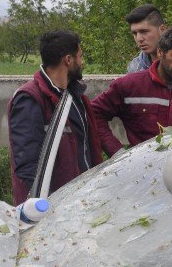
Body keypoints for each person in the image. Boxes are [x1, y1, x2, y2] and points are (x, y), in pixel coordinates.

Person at [7, 30, 104, 205]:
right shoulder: (29, 99)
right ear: (68, 60)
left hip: (81, 199)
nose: (82, 62)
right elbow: (27, 166)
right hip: (53, 208)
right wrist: (52, 206)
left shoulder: (76, 97)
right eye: (79, 57)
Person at [92, 25, 172, 156]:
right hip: (140, 169)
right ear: (160, 52)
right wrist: (118, 153)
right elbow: (94, 113)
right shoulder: (130, 86)